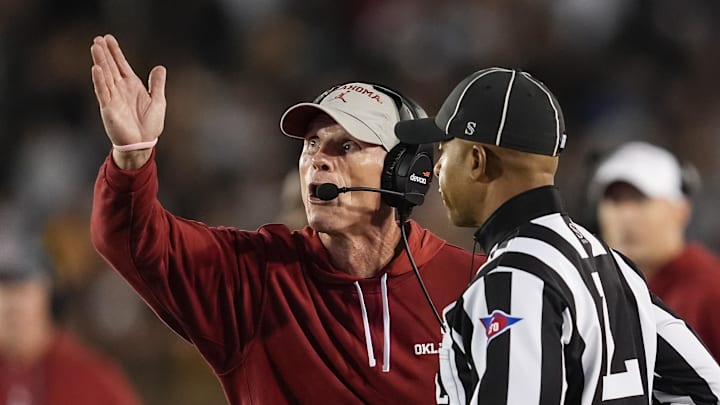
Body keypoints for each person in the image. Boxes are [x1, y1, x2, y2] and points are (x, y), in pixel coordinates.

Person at [88, 34, 481, 404]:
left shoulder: (476, 284)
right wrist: (132, 156)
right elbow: (131, 240)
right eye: (311, 143)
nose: (318, 160)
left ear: (405, 172)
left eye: (347, 145)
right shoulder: (254, 277)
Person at [394, 67, 720, 404]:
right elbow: (706, 390)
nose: (436, 168)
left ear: (477, 160)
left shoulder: (515, 279)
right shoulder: (613, 265)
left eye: (445, 151)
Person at [589, 141, 720, 361]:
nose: (626, 215)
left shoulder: (710, 291)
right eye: (614, 200)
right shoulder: (598, 290)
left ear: (681, 209)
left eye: (640, 200)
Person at [0, 229, 141, 405]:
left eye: (22, 287)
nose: (11, 302)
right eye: (4, 287)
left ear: (49, 292)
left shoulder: (90, 377)